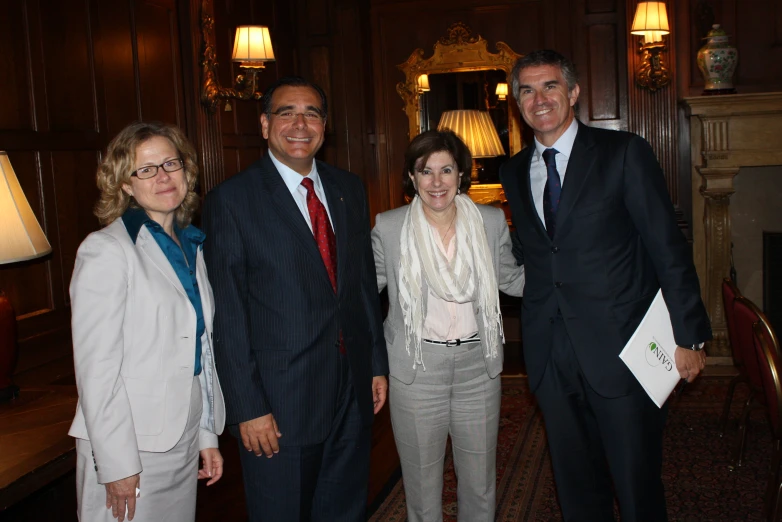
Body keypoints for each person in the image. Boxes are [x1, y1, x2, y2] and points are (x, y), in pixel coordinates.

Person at [499, 49, 712, 521]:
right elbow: (539, 250)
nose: (539, 99)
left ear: (573, 92)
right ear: (517, 102)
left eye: (550, 86)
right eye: (527, 90)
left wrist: (689, 335)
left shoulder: (623, 153)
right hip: (550, 352)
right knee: (576, 487)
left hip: (623, 349)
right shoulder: (512, 171)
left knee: (636, 485)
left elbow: (666, 246)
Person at [202, 76, 389, 522]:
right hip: (279, 403)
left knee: (344, 509)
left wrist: (376, 364)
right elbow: (227, 315)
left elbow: (361, 286)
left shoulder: (348, 188)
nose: (300, 123)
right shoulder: (231, 201)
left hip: (351, 390)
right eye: (286, 112)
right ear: (265, 124)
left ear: (325, 126)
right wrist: (248, 408)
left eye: (312, 113)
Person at [69, 121, 225, 522]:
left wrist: (206, 432)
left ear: (187, 171)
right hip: (128, 442)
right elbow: (96, 370)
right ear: (124, 184)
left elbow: (200, 349)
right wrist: (118, 465)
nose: (163, 177)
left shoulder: (191, 243)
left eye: (170, 163)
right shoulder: (106, 250)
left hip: (183, 433)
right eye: (146, 169)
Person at [372, 130, 524, 522]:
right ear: (412, 177)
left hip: (478, 367)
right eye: (426, 171)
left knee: (480, 481)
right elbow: (361, 294)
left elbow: (511, 280)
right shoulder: (389, 227)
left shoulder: (490, 222)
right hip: (417, 370)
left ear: (461, 175)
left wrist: (569, 267)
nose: (436, 182)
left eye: (446, 170)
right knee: (421, 485)